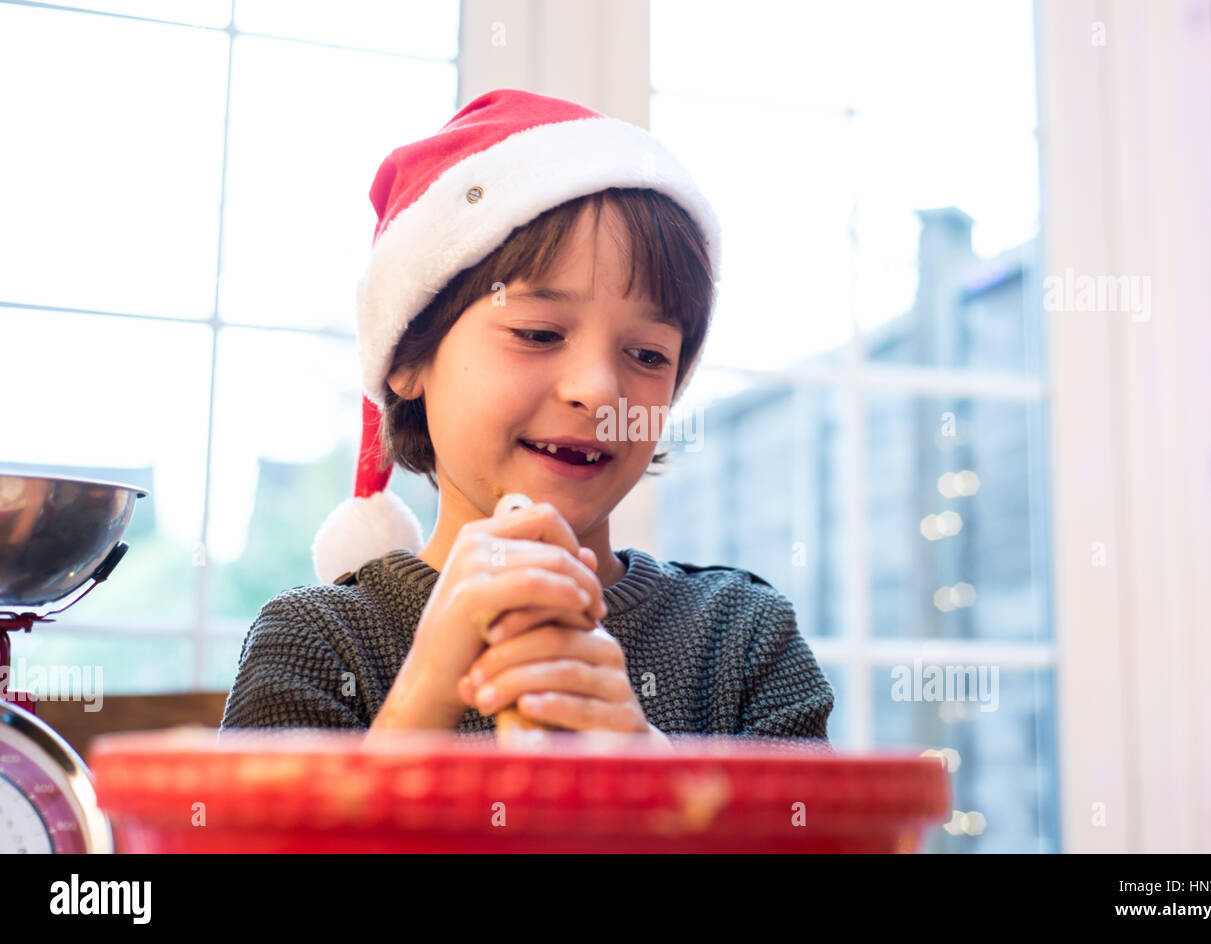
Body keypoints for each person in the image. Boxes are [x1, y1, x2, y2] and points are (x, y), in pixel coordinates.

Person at [219, 88, 834, 745]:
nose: (598, 392)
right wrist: (425, 692)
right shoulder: (320, 642)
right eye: (539, 333)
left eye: (647, 354)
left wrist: (651, 772)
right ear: (407, 357)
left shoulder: (740, 638)